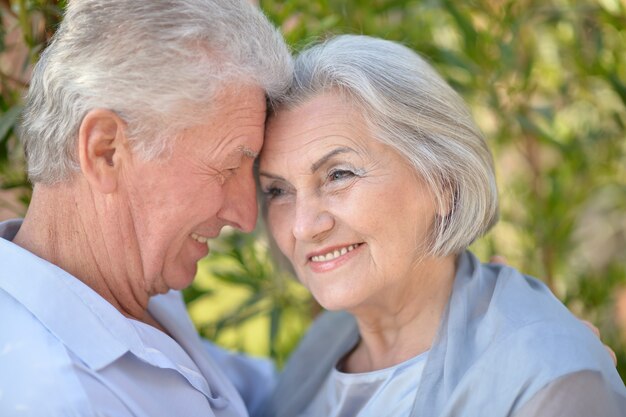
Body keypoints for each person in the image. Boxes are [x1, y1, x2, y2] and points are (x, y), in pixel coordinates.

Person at [255, 35, 626, 417]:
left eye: (338, 174)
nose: (302, 226)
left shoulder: (549, 383)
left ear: (443, 183)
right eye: (278, 190)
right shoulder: (322, 346)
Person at [0, 1, 292, 416]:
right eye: (227, 168)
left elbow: (260, 394)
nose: (246, 216)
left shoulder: (135, 284)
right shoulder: (62, 398)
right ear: (106, 152)